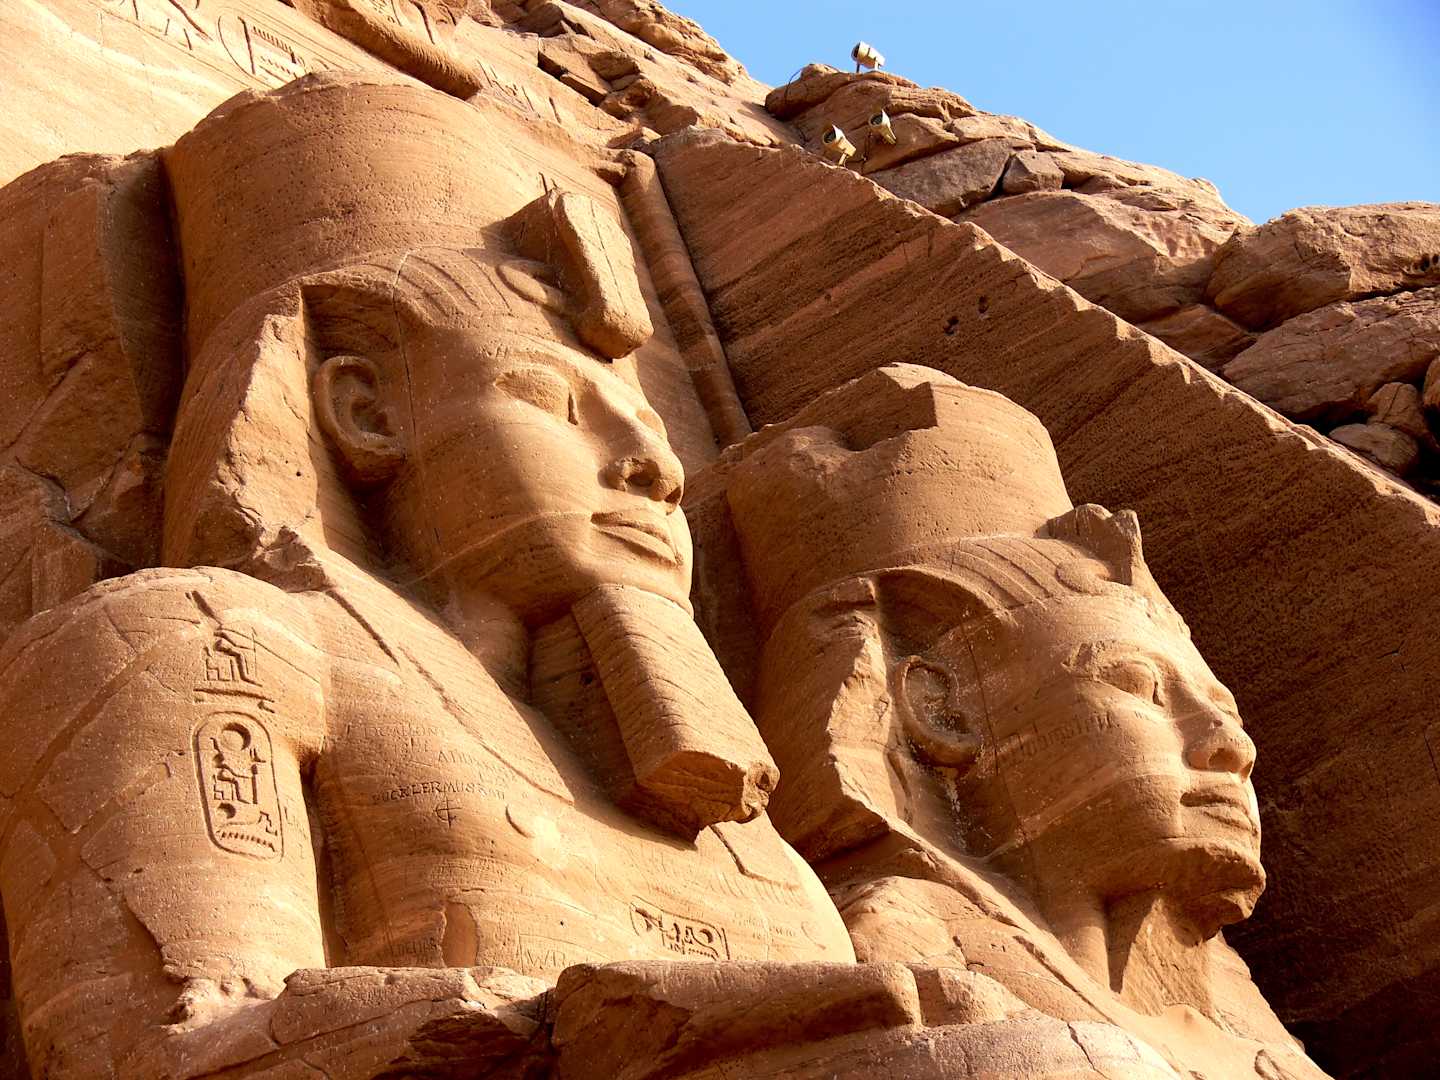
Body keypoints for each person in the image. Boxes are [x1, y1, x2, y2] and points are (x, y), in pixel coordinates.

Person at [0, 73, 853, 1077]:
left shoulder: (766, 859)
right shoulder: (198, 643)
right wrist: (598, 1026)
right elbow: (167, 1051)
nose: (658, 468)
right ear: (364, 412)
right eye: (554, 401)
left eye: (654, 427)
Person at [725, 363, 1328, 1079]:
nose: (1231, 745)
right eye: (1137, 683)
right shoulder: (900, 951)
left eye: (1224, 709)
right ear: (940, 710)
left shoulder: (1265, 1055)